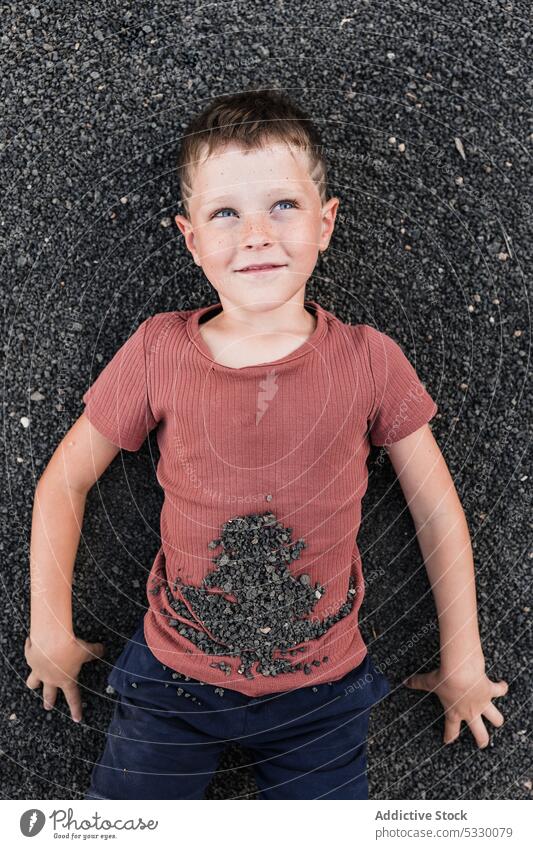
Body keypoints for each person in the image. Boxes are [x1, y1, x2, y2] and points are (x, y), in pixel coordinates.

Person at [24, 88, 508, 801]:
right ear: (191, 238)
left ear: (325, 222)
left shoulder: (371, 359)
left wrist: (462, 659)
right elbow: (64, 482)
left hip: (321, 693)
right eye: (226, 213)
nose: (255, 233)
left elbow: (435, 511)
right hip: (171, 682)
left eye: (281, 205)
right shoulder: (158, 350)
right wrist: (49, 633)